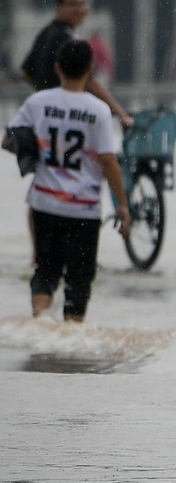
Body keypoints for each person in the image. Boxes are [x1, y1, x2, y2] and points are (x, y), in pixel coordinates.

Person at [4, 40, 131, 321]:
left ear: (57, 68)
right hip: (83, 208)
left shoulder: (38, 102)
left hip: (44, 202)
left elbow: (8, 140)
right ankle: (70, 335)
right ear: (91, 70)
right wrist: (123, 204)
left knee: (45, 271)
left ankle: (40, 322)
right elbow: (108, 160)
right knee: (79, 280)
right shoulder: (98, 110)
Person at [20, 0, 132, 128]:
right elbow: (88, 79)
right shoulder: (67, 39)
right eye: (73, 4)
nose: (80, 9)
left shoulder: (46, 33)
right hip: (69, 118)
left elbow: (26, 73)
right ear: (59, 7)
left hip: (48, 116)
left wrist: (46, 95)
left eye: (82, 3)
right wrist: (121, 114)